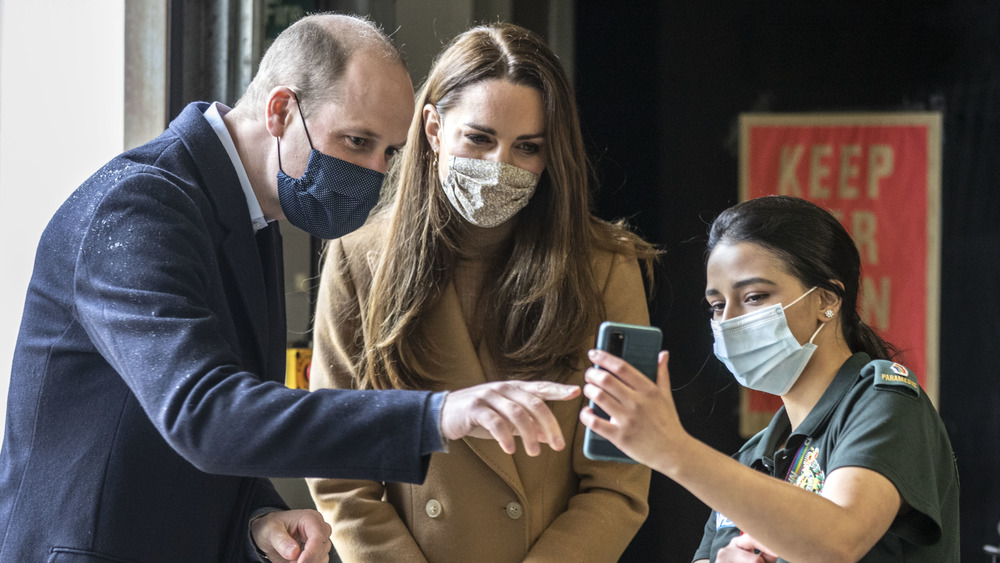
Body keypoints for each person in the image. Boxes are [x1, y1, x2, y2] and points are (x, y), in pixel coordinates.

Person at [0, 13, 580, 563]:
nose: (375, 174)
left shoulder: (250, 219)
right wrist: (436, 415)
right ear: (281, 110)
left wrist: (257, 521)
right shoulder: (139, 206)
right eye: (357, 141)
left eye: (389, 152)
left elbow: (177, 442)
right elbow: (204, 414)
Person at [306, 22, 659, 563]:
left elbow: (619, 480)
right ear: (432, 128)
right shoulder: (359, 259)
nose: (500, 167)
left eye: (527, 148)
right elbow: (339, 467)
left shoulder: (608, 268)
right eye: (479, 138)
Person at [581, 195, 960, 562]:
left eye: (755, 296)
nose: (727, 320)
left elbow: (838, 543)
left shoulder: (883, 399)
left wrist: (671, 448)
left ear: (827, 300)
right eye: (717, 305)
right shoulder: (750, 461)